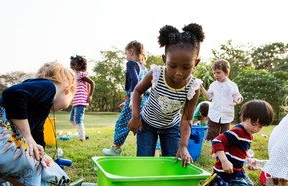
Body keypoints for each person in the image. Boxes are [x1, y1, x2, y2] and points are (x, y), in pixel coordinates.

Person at [128, 23, 205, 167]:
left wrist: (183, 146)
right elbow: (137, 91)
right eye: (173, 65)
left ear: (196, 63)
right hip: (146, 125)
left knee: (173, 162)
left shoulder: (193, 87)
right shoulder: (156, 74)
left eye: (186, 67)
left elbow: (187, 118)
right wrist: (135, 116)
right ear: (165, 60)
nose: (178, 72)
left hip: (171, 128)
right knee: (144, 163)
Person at [210, 100, 274, 186]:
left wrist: (249, 160)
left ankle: (226, 182)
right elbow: (216, 141)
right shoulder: (237, 131)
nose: (256, 129)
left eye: (260, 126)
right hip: (227, 172)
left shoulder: (248, 134)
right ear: (243, 118)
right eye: (253, 123)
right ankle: (218, 183)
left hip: (237, 170)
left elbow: (240, 152)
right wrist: (224, 162)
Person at [102, 41, 149, 156]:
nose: (126, 57)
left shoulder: (131, 64)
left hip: (137, 99)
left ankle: (116, 150)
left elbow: (134, 81)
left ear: (131, 52)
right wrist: (128, 100)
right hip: (146, 101)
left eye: (126, 54)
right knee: (145, 127)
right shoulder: (145, 68)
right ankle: (155, 153)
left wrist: (133, 100)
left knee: (122, 123)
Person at [200, 59, 243, 140]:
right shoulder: (213, 85)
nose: (216, 75)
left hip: (227, 114)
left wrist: (238, 100)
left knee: (225, 134)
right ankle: (211, 145)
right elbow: (209, 97)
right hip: (214, 114)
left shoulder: (232, 85)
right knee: (212, 133)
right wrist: (202, 88)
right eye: (214, 73)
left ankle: (223, 146)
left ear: (226, 73)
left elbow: (238, 96)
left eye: (218, 72)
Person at [69, 55, 95, 141]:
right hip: (76, 101)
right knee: (71, 119)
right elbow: (85, 85)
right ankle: (82, 133)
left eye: (73, 64)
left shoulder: (80, 75)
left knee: (78, 120)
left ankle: (81, 138)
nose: (71, 66)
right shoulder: (74, 75)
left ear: (80, 66)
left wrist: (90, 95)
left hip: (81, 101)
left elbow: (92, 83)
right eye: (71, 64)